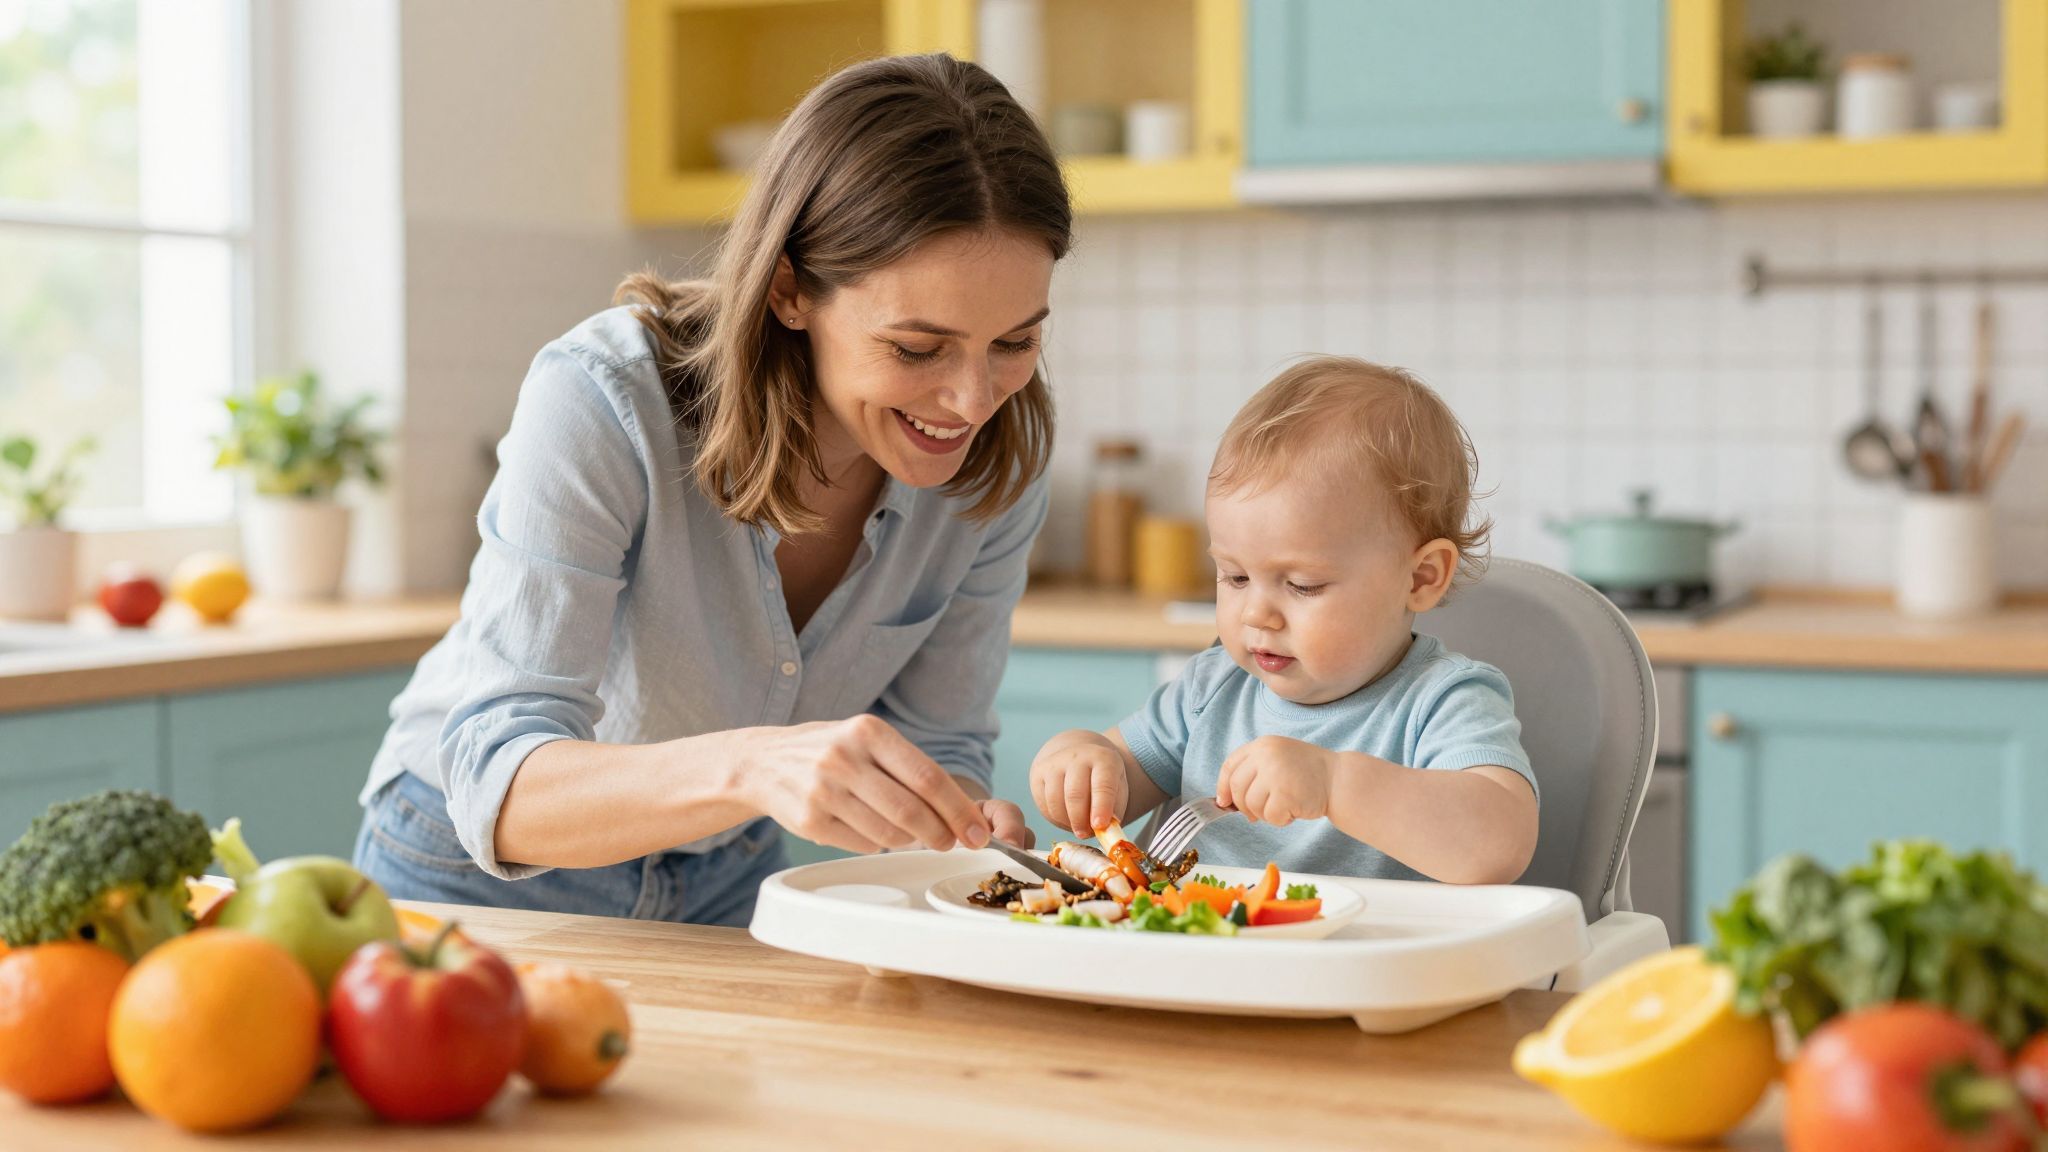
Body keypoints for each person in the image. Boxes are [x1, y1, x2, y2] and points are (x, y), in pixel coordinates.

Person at [353, 53, 1071, 925]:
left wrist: (956, 822)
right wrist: (755, 766)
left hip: (728, 871)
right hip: (474, 872)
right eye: (917, 349)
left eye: (1014, 342)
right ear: (789, 291)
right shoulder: (606, 398)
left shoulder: (996, 465)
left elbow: (943, 740)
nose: (971, 400)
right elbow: (495, 784)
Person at [1028, 357, 1538, 884]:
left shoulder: (1442, 701)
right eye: (1234, 577)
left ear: (1420, 578)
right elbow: (1121, 773)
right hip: (1198, 954)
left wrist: (1334, 784)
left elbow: (1498, 847)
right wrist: (1084, 762)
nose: (1256, 614)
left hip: (1360, 961)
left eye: (1302, 585)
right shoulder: (1213, 685)